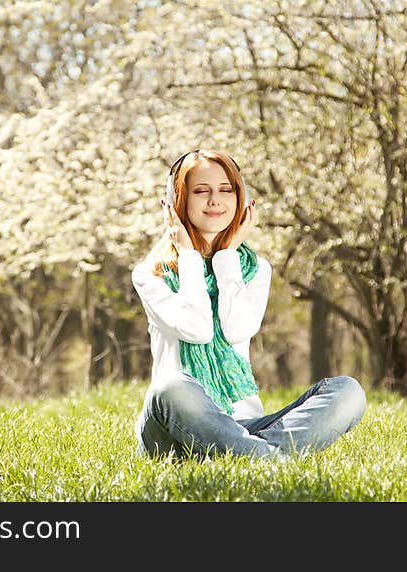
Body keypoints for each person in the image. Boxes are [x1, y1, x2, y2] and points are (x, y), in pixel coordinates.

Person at [131, 149, 366, 460]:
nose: (215, 200)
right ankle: (273, 459)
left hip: (243, 425)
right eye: (201, 191)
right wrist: (188, 255)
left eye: (226, 190)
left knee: (348, 393)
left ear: (240, 200)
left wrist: (226, 256)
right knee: (170, 387)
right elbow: (197, 330)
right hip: (173, 431)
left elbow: (235, 329)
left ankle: (253, 455)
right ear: (177, 202)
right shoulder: (152, 272)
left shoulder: (254, 270)